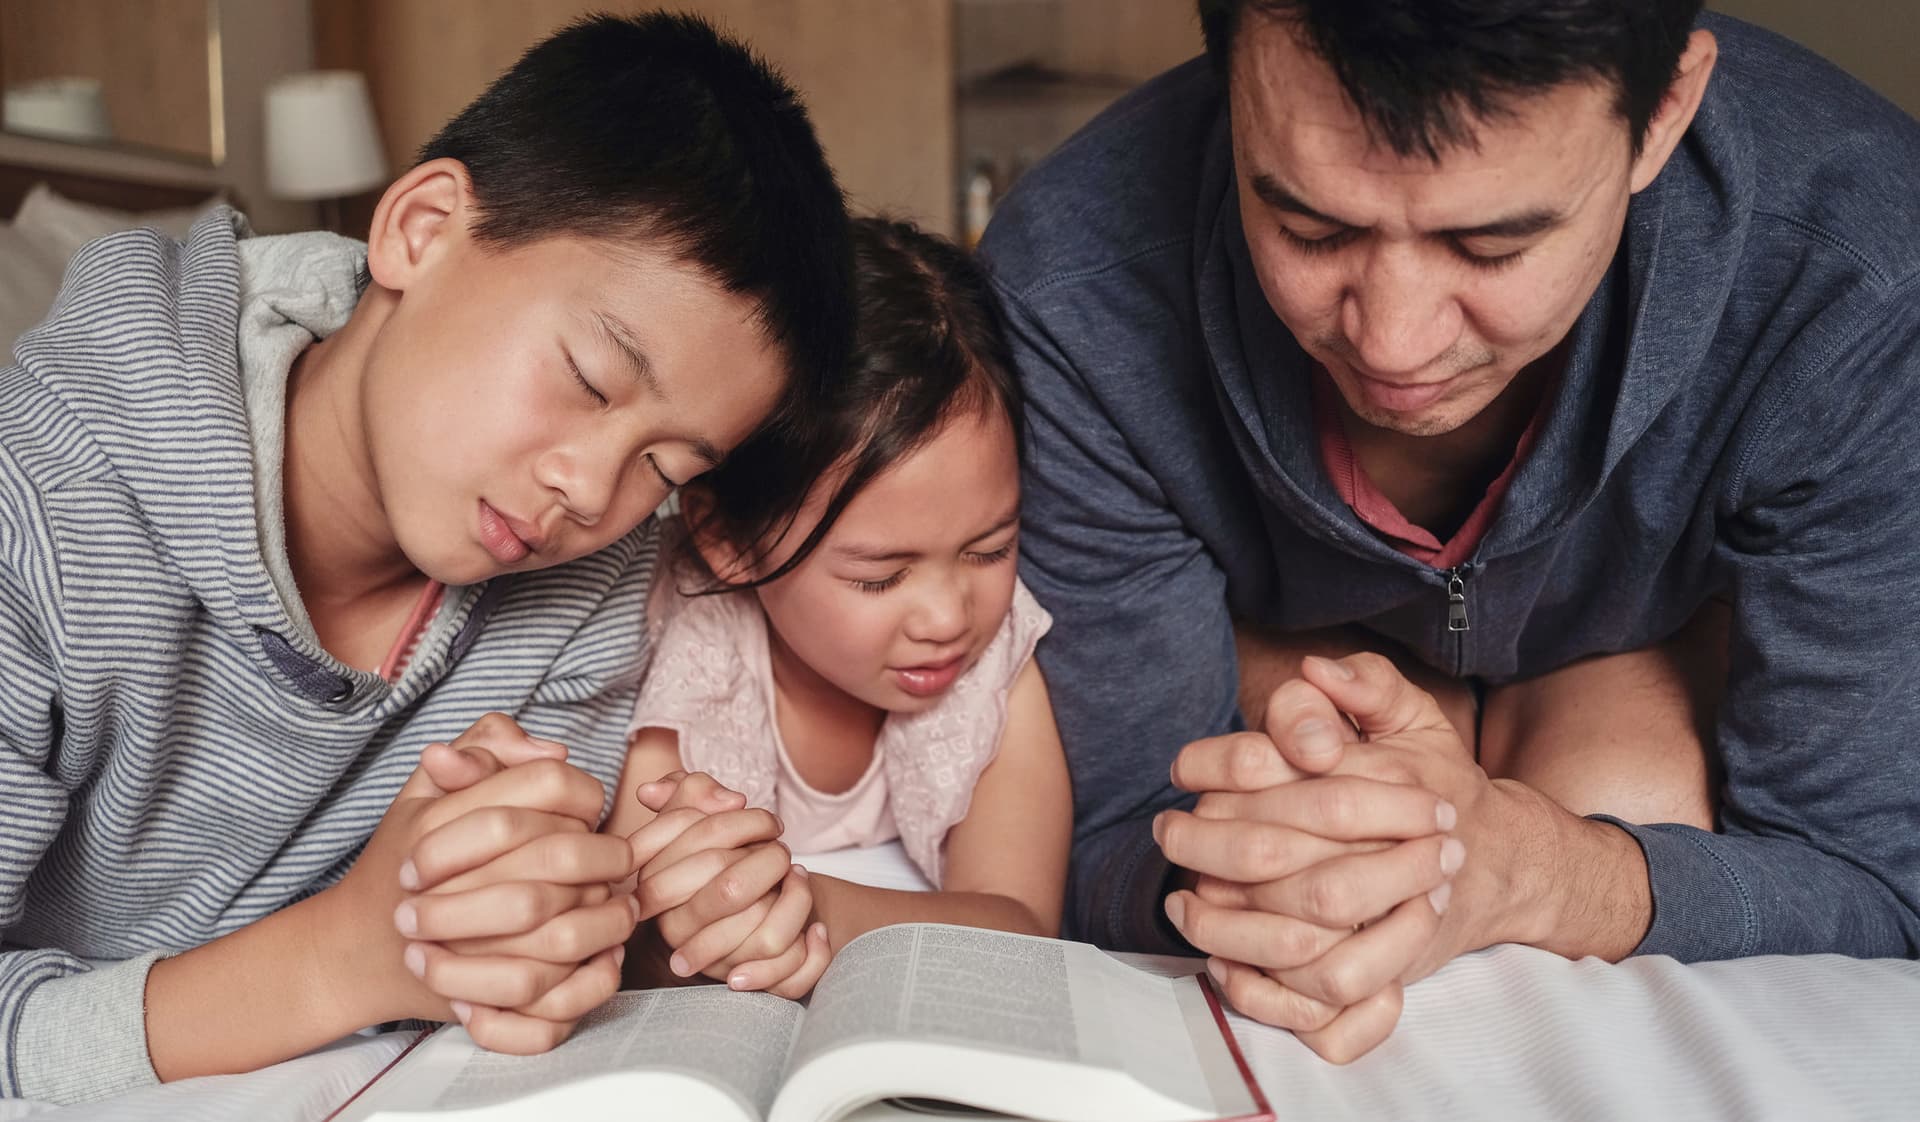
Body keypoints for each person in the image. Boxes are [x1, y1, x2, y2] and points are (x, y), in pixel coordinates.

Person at [978, 0, 1920, 1062]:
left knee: (1633, 780)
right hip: (1276, 681)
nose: (1394, 340)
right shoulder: (1073, 285)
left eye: (1491, 244)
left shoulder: (1865, 285)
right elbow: (1104, 837)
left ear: (1663, 111)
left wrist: (1534, 869)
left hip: (1644, 667)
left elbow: (1878, 885)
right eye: (1310, 228)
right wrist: (1271, 873)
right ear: (1229, 80)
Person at [0, 12, 852, 1103]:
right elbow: (381, 959)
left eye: (668, 467)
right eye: (590, 380)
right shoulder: (41, 510)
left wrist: (644, 917)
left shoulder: (589, 577)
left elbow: (501, 946)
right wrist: (339, 959)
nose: (592, 491)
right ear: (422, 227)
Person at [609, 217, 1071, 996]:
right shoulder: (684, 653)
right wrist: (693, 922)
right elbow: (637, 932)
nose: (948, 618)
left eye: (990, 549)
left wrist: (811, 906)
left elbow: (1022, 924)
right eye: (880, 577)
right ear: (726, 538)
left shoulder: (992, 659)